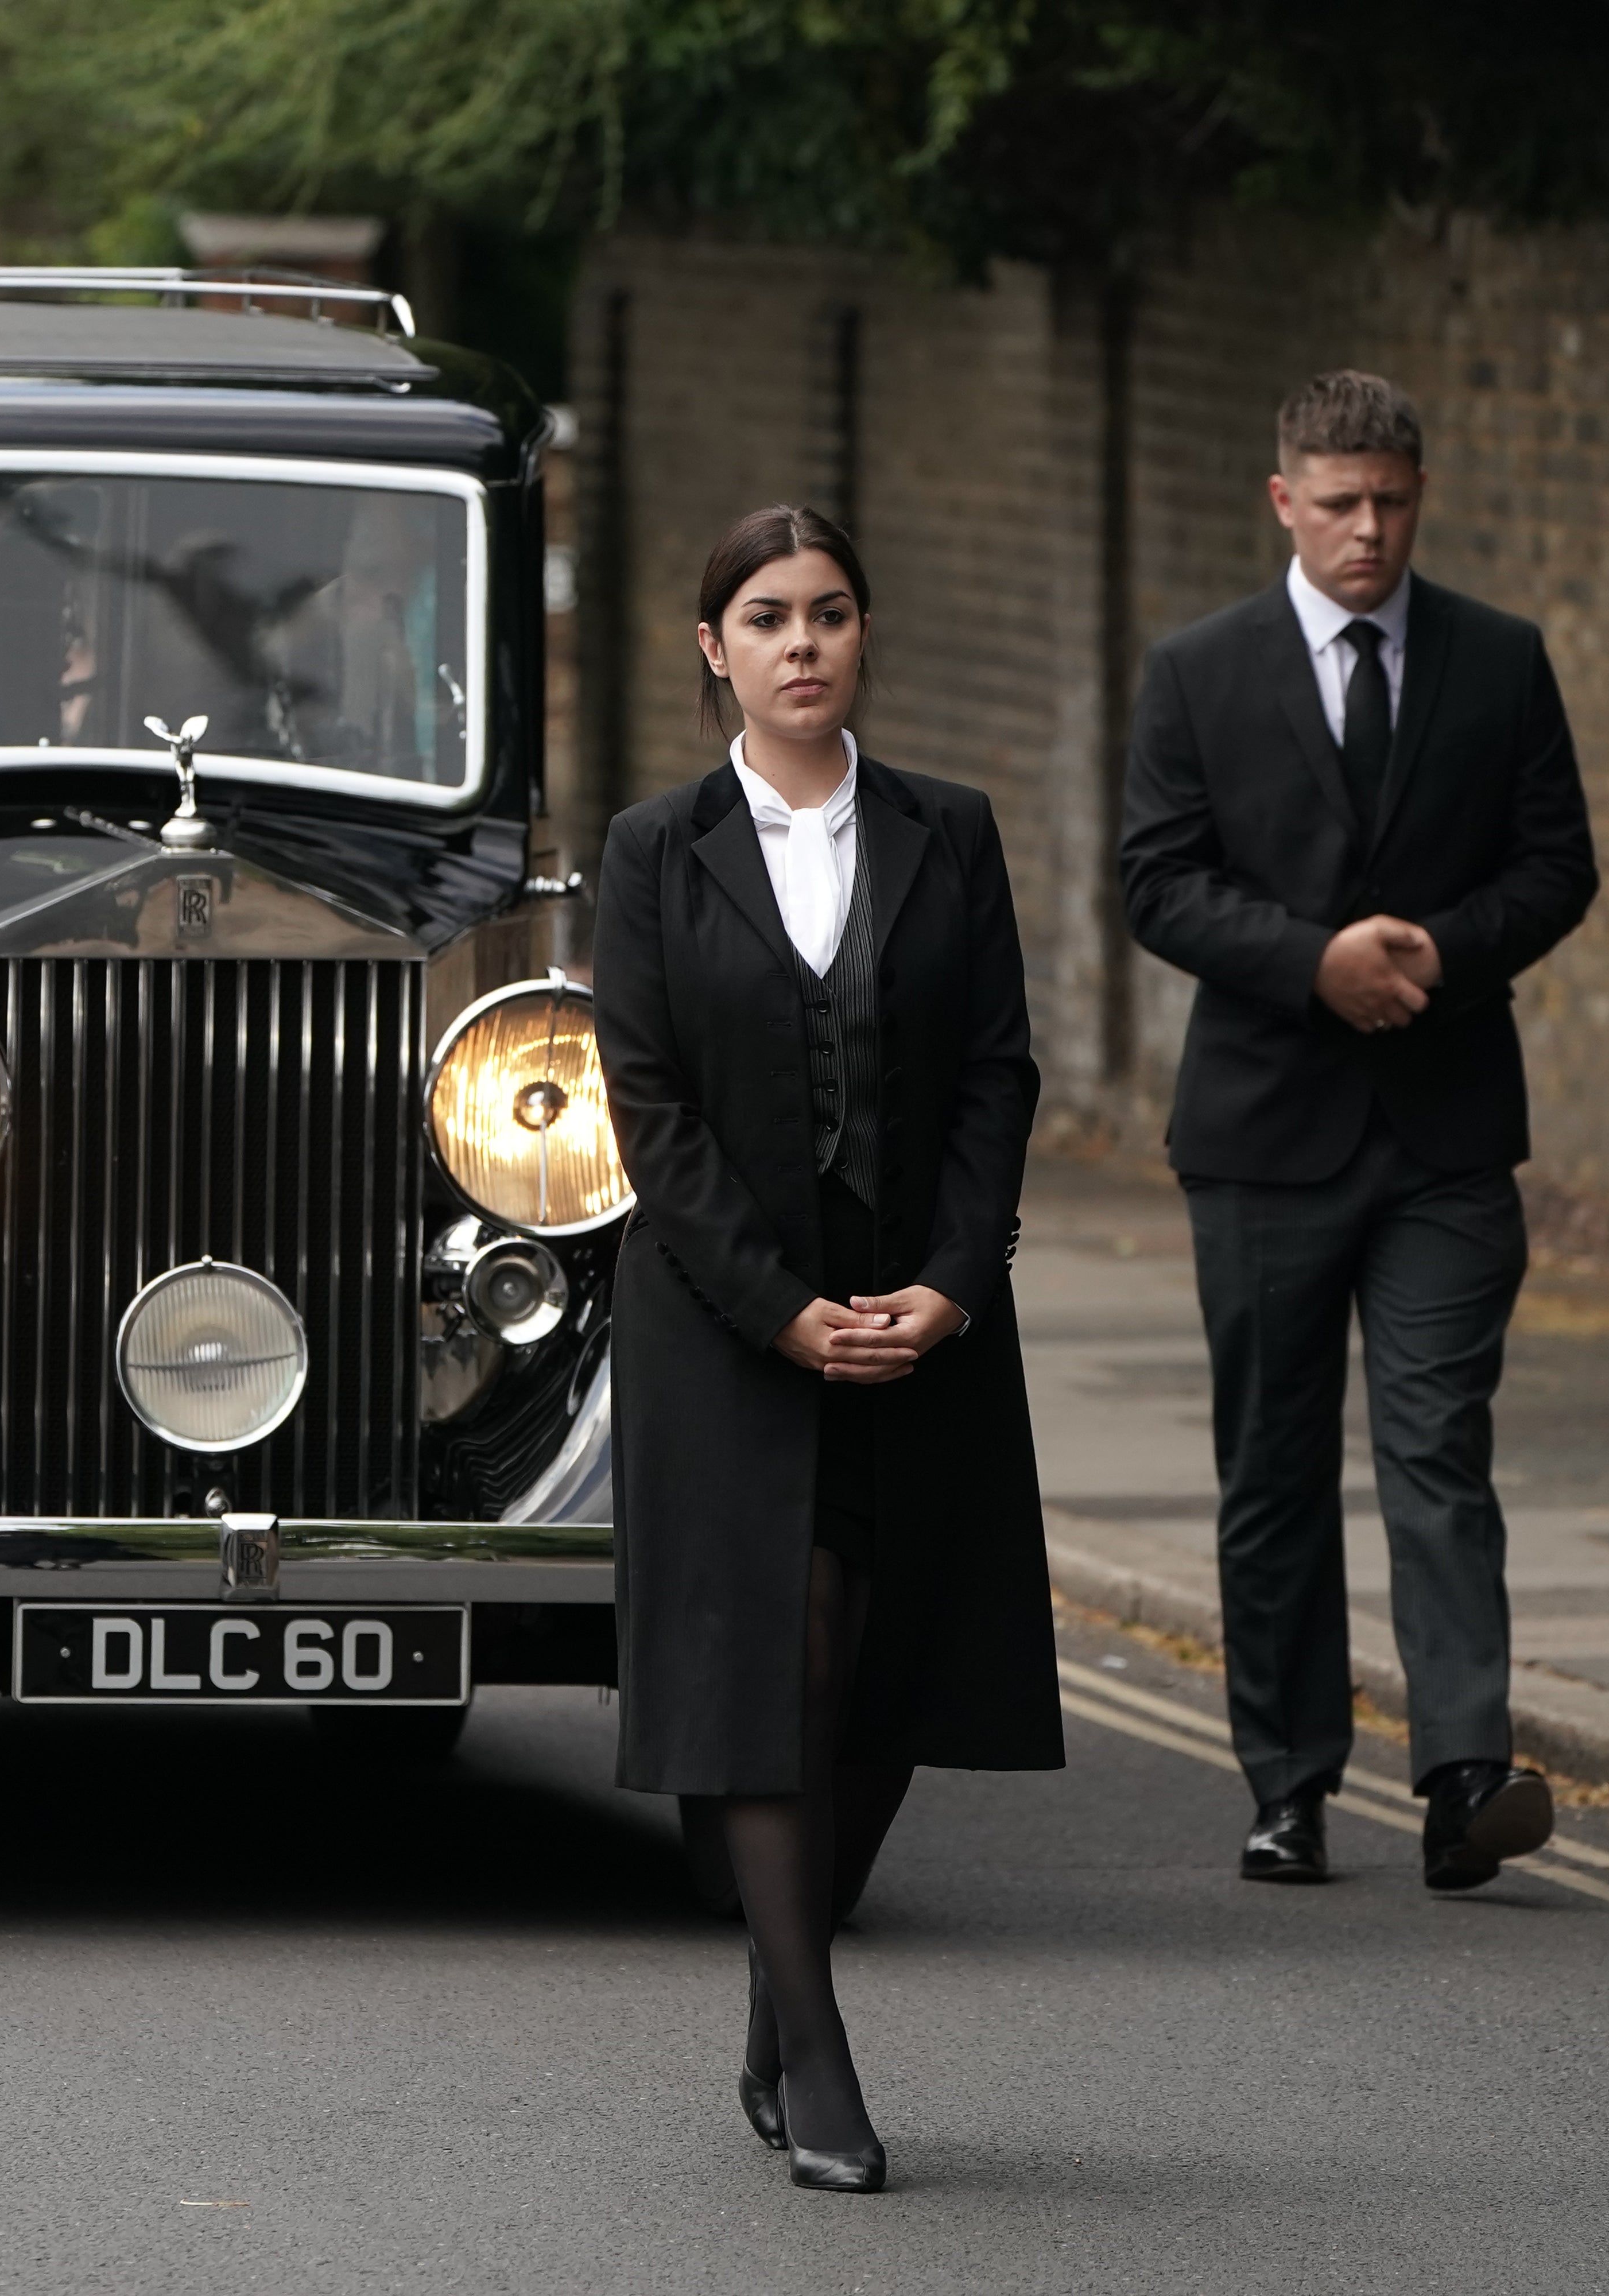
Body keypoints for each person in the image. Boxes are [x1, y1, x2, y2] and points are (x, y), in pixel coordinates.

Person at [594, 505, 1061, 2194]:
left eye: (831, 613)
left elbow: (997, 1075)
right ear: (712, 647)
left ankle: (768, 1992)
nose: (804, 643)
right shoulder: (651, 851)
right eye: (768, 617)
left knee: (879, 1682)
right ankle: (818, 2047)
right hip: (726, 1326)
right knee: (778, 1668)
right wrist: (774, 1308)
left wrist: (950, 1279)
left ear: (862, 638)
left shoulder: (950, 831)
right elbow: (646, 1106)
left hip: (915, 1313)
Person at [1119, 370, 1599, 1892]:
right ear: (1285, 502)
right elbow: (1159, 882)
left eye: (1391, 501)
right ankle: (1287, 1778)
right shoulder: (1197, 672)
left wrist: (1442, 954)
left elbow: (1558, 867)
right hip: (1263, 1136)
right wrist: (1312, 962)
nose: (1369, 529)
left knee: (1436, 1447)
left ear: (1418, 493)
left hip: (1449, 1136)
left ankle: (1463, 1773)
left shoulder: (1501, 663)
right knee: (1270, 1468)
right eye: (1339, 504)